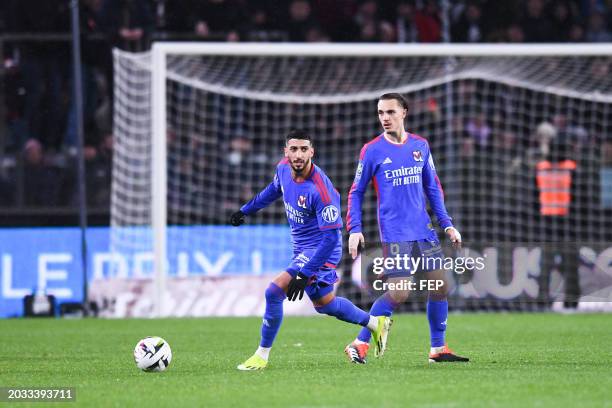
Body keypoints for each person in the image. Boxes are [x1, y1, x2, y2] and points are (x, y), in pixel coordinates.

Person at [230, 129, 391, 370]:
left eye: (304, 149)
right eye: (293, 149)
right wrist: (245, 210)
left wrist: (304, 273)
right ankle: (374, 323)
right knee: (324, 304)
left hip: (322, 249)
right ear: (286, 152)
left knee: (273, 292)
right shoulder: (283, 169)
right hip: (302, 248)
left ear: (312, 152)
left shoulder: (321, 191)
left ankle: (261, 356)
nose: (298, 154)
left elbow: (329, 239)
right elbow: (272, 191)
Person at [344, 93, 469, 364]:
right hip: (396, 232)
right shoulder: (372, 150)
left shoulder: (421, 146)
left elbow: (432, 187)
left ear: (404, 113)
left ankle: (438, 349)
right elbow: (356, 192)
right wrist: (355, 228)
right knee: (400, 291)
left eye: (390, 112)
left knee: (441, 286)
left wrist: (447, 224)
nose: (385, 118)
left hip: (424, 230)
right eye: (380, 113)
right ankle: (359, 343)